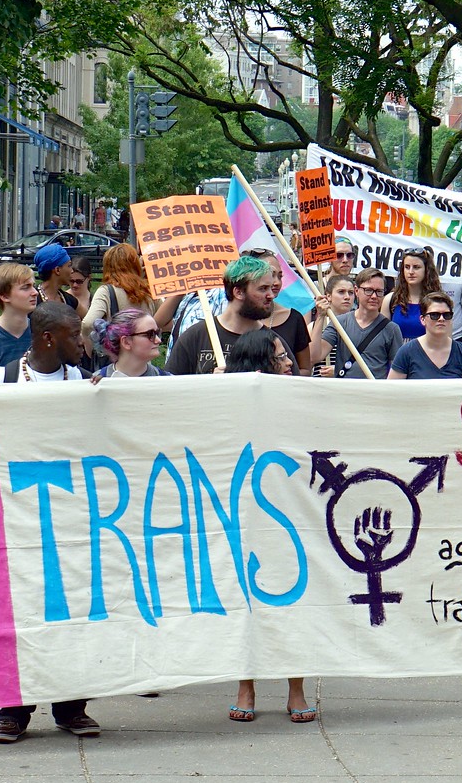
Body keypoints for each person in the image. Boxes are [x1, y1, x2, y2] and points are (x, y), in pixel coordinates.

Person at [0, 302, 103, 742]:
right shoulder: (3, 382)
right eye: (76, 335)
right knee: (19, 614)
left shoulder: (85, 382)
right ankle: (12, 709)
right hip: (20, 525)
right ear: (50, 338)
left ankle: (71, 706)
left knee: (75, 613)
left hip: (74, 525)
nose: (83, 343)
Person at [225, 327, 317, 724]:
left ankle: (296, 688)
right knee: (245, 597)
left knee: (296, 597)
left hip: (293, 509)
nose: (289, 362)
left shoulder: (300, 397)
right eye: (279, 356)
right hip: (244, 509)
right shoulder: (231, 401)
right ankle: (245, 686)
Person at [167, 254, 284, 375]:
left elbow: (293, 387)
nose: (271, 295)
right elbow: (170, 387)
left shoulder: (273, 342)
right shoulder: (196, 336)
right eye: (263, 289)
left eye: (270, 288)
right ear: (238, 292)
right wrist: (210, 383)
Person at [312, 267, 402, 379]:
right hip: (343, 392)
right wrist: (320, 316)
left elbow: (397, 370)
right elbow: (314, 356)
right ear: (356, 291)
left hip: (374, 393)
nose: (374, 296)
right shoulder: (339, 322)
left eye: (379, 292)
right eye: (368, 290)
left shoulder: (391, 329)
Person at [84, 243, 169, 341]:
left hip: (120, 351)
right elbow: (168, 322)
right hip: (145, 349)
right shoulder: (148, 290)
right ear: (135, 264)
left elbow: (88, 324)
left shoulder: (106, 291)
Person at [389, 292, 462, 379]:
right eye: (434, 315)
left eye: (447, 315)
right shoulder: (406, 352)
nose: (441, 319)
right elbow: (392, 390)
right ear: (422, 319)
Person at [92, 308, 170, 379]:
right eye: (150, 334)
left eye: (157, 333)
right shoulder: (95, 383)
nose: (158, 340)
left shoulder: (169, 381)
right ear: (126, 342)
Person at [387, 249, 444, 339]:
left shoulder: (439, 301)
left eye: (416, 267)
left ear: (427, 270)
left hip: (427, 351)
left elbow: (445, 339)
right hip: (397, 352)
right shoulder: (390, 299)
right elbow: (383, 338)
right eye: (407, 267)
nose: (411, 272)